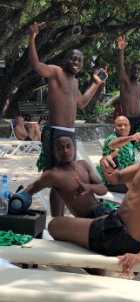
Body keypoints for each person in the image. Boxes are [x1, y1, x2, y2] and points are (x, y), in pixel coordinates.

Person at [48, 118, 140, 273]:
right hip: (117, 224)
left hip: (121, 238)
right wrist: (105, 163)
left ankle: (95, 270)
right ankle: (95, 267)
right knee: (90, 216)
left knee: (54, 225)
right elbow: (116, 178)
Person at [28, 21, 107, 217]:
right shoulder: (55, 72)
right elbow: (36, 65)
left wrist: (96, 84)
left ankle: (66, 217)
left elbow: (81, 104)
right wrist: (31, 38)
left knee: (69, 175)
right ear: (65, 60)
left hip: (70, 133)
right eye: (73, 59)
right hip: (55, 131)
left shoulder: (75, 82)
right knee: (57, 177)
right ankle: (57, 220)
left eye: (79, 60)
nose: (76, 62)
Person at [23, 135, 112, 218]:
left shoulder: (83, 165)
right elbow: (29, 190)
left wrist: (90, 187)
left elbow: (103, 190)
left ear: (74, 148)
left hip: (102, 210)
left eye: (68, 146)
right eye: (60, 148)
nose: (65, 151)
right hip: (89, 220)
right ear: (54, 153)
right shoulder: (53, 175)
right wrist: (16, 204)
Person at [96, 115, 140, 193]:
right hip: (113, 181)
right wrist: (131, 137)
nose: (123, 127)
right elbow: (114, 143)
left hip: (126, 180)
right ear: (114, 127)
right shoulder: (111, 139)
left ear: (129, 127)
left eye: (125, 125)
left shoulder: (130, 144)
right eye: (119, 125)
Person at [116, 36, 140, 135]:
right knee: (125, 146)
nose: (136, 71)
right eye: (135, 68)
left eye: (139, 69)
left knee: (138, 147)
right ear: (131, 69)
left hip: (139, 121)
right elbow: (121, 67)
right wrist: (121, 50)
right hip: (126, 120)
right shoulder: (125, 82)